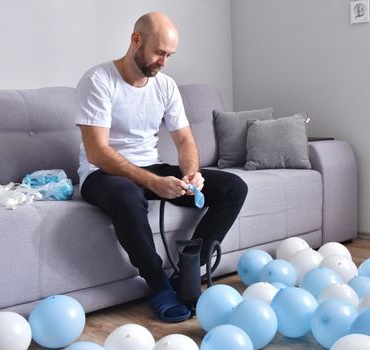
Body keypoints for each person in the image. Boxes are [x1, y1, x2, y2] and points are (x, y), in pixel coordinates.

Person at [74, 12, 248, 323]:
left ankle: (187, 275)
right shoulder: (98, 80)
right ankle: (158, 285)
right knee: (127, 193)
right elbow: (97, 152)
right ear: (135, 40)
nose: (163, 61)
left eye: (169, 55)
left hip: (149, 166)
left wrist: (191, 172)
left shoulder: (165, 85)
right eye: (158, 52)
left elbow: (185, 142)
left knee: (234, 187)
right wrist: (154, 183)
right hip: (102, 175)